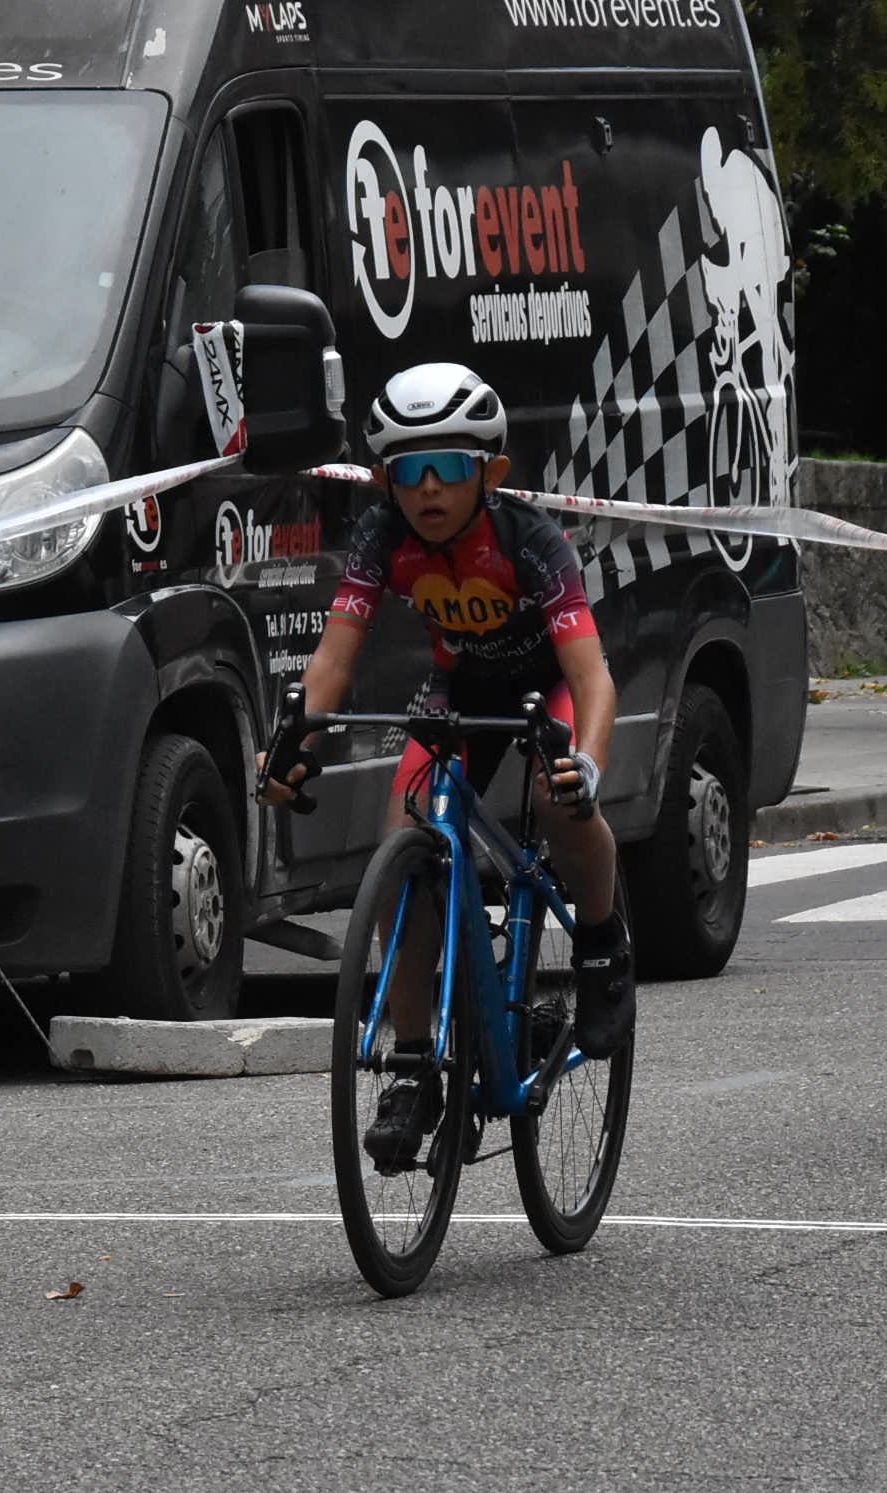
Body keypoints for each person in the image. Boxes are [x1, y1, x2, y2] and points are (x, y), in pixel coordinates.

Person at [260, 361, 631, 1167]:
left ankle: (603, 946)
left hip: (544, 691)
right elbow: (333, 660)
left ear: (489, 474)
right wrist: (294, 748)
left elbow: (592, 677)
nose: (428, 488)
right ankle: (412, 1064)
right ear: (383, 481)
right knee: (405, 843)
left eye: (450, 467)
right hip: (461, 687)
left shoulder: (529, 542)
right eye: (408, 471)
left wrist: (590, 765)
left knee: (560, 797)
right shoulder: (382, 537)